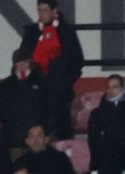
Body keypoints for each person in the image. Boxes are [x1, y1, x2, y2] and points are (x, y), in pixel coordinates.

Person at [20, 1, 84, 138]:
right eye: (39, 11)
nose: (41, 14)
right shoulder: (32, 32)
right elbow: (22, 58)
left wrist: (65, 83)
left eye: (45, 10)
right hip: (36, 94)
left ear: (54, 11)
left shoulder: (66, 32)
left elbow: (77, 61)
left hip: (59, 94)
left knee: (62, 133)